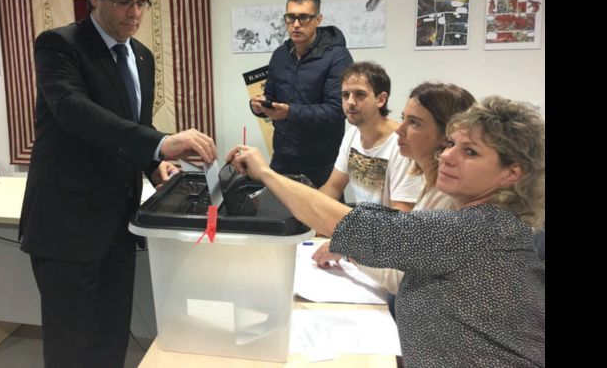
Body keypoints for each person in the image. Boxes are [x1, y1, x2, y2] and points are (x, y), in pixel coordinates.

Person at [226, 95, 545, 366]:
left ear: (512, 173)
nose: (447, 156)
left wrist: (265, 173)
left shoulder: (475, 231)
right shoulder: (497, 224)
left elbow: (349, 225)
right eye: (451, 144)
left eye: (470, 152)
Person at [19, 0, 217, 368]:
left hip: (118, 223)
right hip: (67, 225)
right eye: (123, 0)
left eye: (142, 2)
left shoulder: (141, 56)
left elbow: (127, 127)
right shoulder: (59, 45)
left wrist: (153, 164)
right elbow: (76, 114)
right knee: (72, 346)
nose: (134, 12)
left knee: (112, 338)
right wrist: (162, 143)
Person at [315, 82, 476, 294]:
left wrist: (349, 249)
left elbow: (400, 277)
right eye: (403, 119)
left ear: (447, 135)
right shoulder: (429, 183)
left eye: (414, 123)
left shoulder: (447, 198)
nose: (399, 130)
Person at [249, 0, 352, 188]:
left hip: (321, 163)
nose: (296, 24)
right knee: (276, 214)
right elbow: (270, 95)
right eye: (291, 17)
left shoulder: (337, 57)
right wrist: (258, 106)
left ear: (318, 19)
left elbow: (337, 110)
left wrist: (290, 112)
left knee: (322, 218)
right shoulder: (280, 54)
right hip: (283, 157)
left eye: (303, 17)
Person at [319, 61, 422, 211]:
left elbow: (401, 214)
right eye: (345, 95)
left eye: (360, 94)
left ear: (381, 100)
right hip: (365, 226)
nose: (350, 102)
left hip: (391, 231)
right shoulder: (352, 134)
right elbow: (333, 187)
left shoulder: (402, 145)